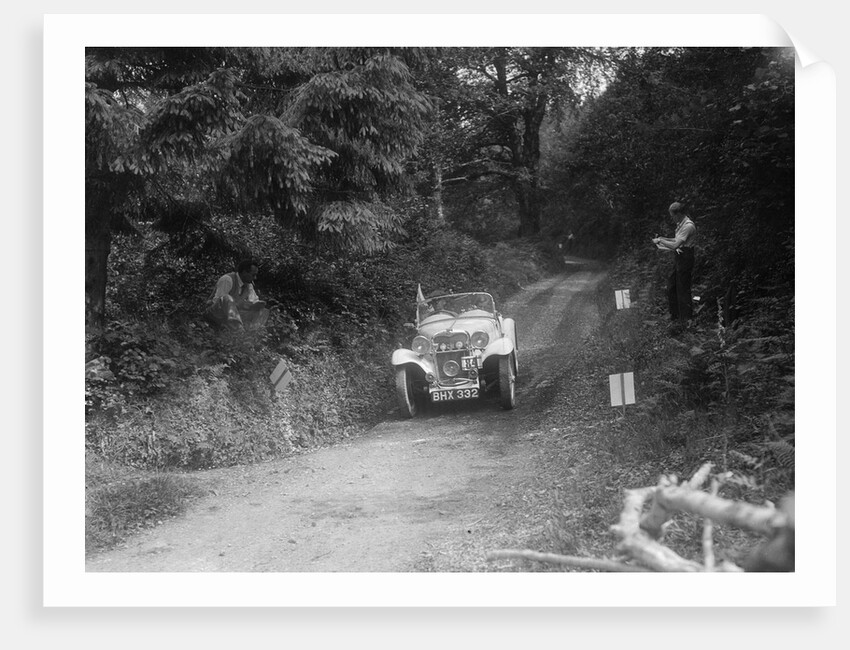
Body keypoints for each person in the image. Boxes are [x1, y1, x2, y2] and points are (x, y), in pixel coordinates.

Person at [652, 202, 697, 332]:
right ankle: (675, 315)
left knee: (683, 288)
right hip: (679, 257)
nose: (672, 218)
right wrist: (663, 238)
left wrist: (660, 241)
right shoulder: (680, 224)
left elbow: (675, 245)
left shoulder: (688, 226)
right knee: (672, 286)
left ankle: (686, 319)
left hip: (686, 257)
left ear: (679, 214)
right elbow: (675, 240)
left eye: (672, 215)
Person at [204, 259, 271, 331]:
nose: (255, 278)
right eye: (253, 275)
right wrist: (239, 305)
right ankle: (239, 332)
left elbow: (253, 301)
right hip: (215, 314)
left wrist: (256, 305)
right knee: (227, 298)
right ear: (245, 272)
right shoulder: (228, 279)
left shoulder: (249, 286)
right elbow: (219, 301)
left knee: (263, 311)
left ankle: (253, 335)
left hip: (231, 316)